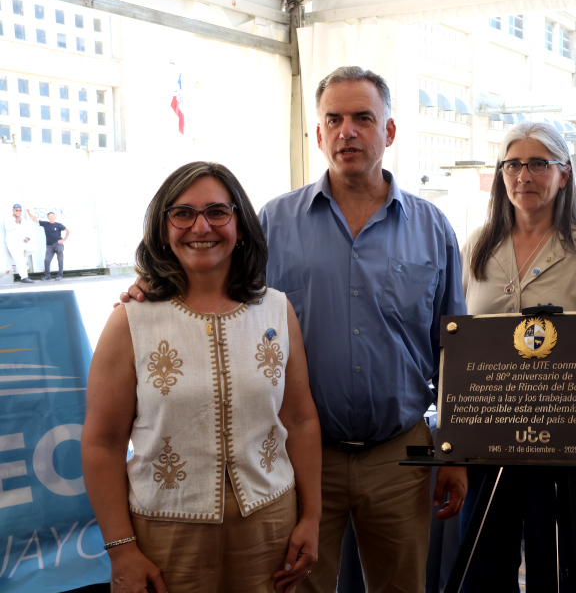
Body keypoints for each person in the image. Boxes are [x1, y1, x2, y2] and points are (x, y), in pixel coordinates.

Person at [123, 66, 468, 592]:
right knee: (298, 585)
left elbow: (454, 350)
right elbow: (212, 282)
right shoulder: (274, 223)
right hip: (298, 460)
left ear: (389, 131)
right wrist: (152, 284)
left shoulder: (431, 227)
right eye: (334, 119)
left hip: (400, 457)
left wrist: (456, 453)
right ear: (318, 133)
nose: (346, 131)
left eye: (362, 118)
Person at [83, 161, 322, 593]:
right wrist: (121, 550)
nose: (200, 226)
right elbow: (102, 443)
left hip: (271, 529)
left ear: (241, 226)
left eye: (217, 212)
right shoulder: (130, 322)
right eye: (183, 213)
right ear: (163, 228)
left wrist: (311, 518)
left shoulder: (276, 310)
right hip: (165, 535)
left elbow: (301, 419)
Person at [459, 121, 576, 591]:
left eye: (538, 163)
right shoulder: (477, 247)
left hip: (565, 439)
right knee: (482, 565)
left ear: (565, 174)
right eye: (513, 164)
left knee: (558, 568)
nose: (524, 175)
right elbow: (460, 340)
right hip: (488, 436)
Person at [26, 209, 70, 280]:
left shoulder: (58, 225)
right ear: (48, 217)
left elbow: (68, 231)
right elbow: (35, 220)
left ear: (55, 217)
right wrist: (29, 213)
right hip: (49, 246)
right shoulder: (45, 224)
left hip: (58, 245)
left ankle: (60, 275)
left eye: (52, 216)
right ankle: (47, 276)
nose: (51, 217)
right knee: (47, 260)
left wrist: (64, 239)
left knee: (60, 260)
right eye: (49, 216)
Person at [4, 204, 35, 283]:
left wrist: (27, 237)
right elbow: (7, 228)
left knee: (33, 249)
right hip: (13, 243)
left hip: (22, 242)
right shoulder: (9, 219)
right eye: (16, 210)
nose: (18, 212)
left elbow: (26, 229)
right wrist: (16, 222)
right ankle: (24, 277)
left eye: (20, 210)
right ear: (13, 210)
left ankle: (17, 256)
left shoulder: (23, 219)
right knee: (20, 261)